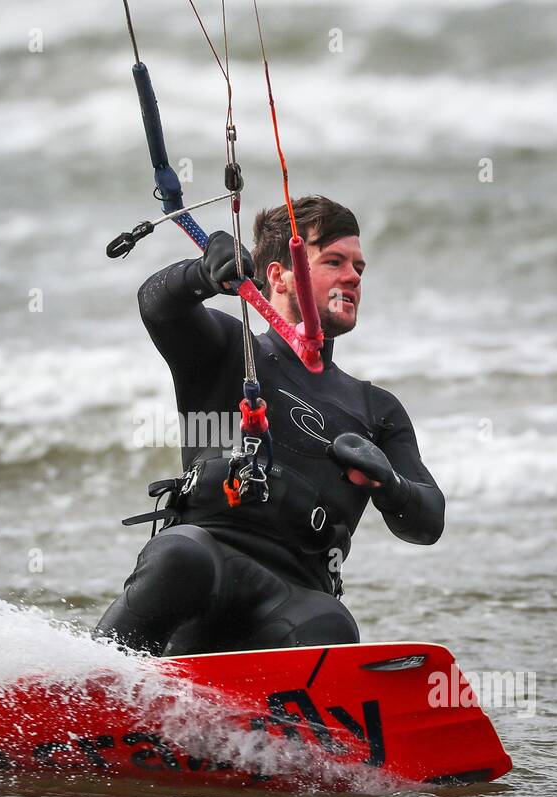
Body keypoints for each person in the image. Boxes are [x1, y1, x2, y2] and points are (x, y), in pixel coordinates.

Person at [95, 195, 444, 656]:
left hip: (293, 599)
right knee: (179, 556)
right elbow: (159, 307)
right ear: (277, 275)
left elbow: (427, 522)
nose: (353, 277)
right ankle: (89, 693)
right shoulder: (226, 351)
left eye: (359, 267)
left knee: (332, 624)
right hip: (201, 569)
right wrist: (201, 273)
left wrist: (389, 483)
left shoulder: (377, 410)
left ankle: (290, 725)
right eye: (334, 261)